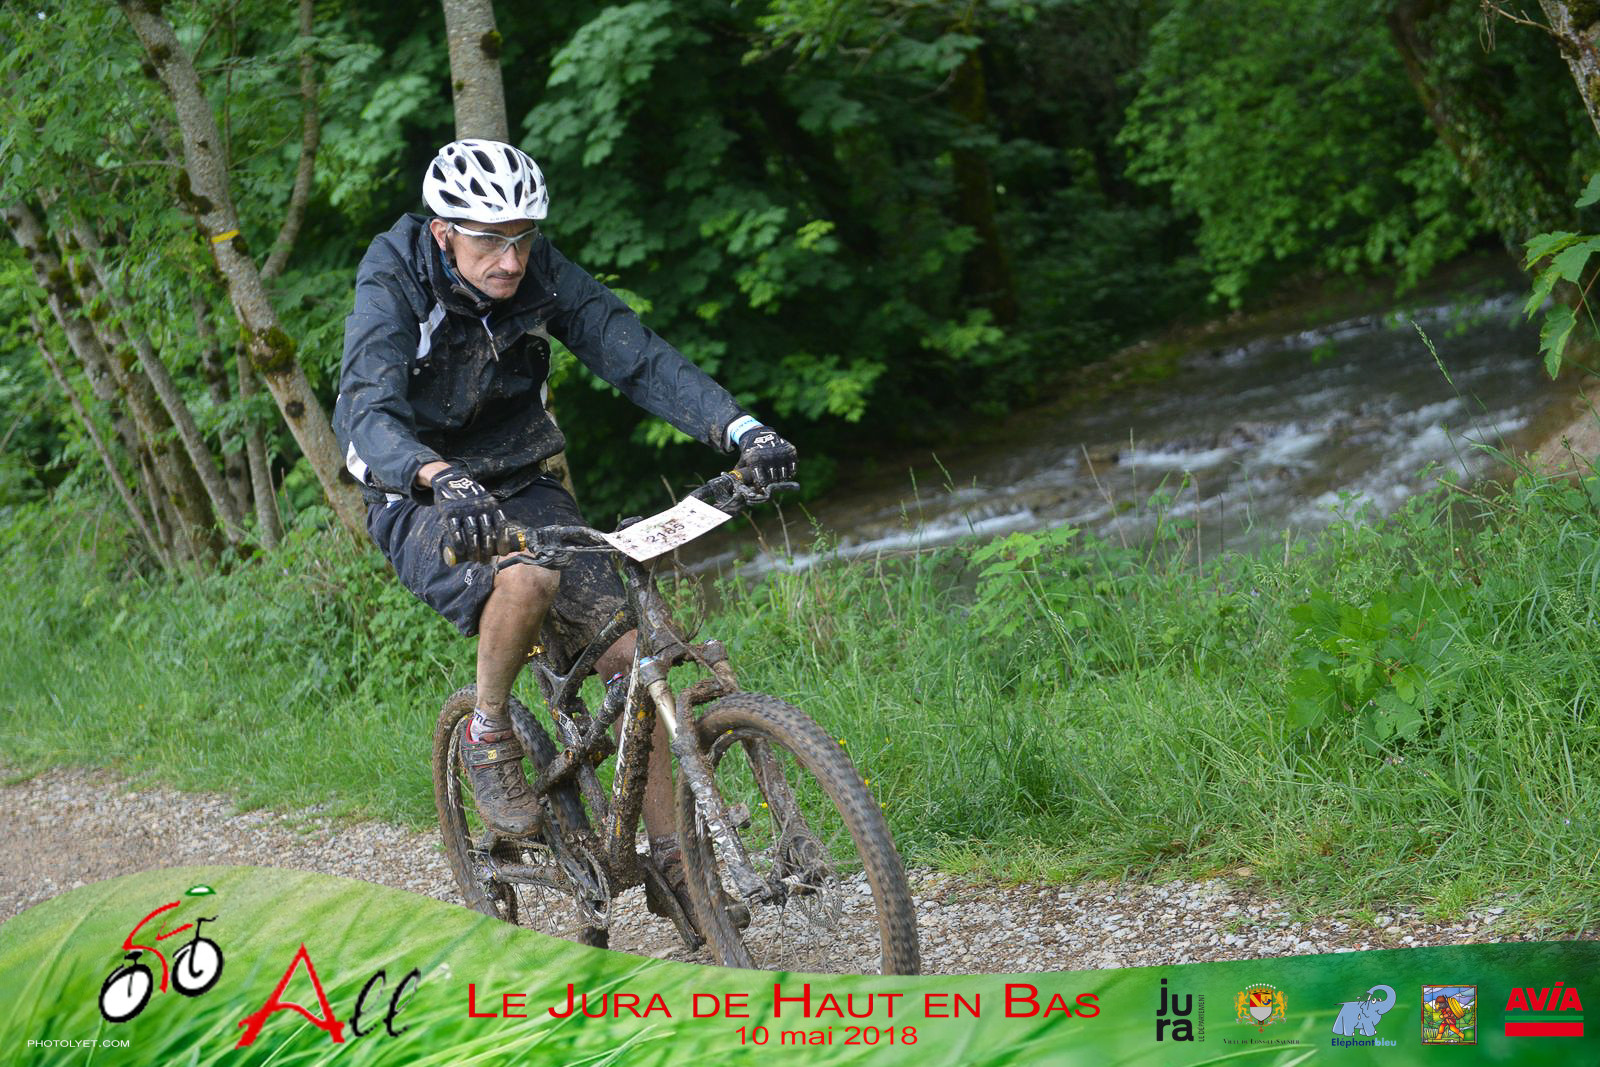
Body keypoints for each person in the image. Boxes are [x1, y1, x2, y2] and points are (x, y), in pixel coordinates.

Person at [333, 138, 797, 928]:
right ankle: (488, 728)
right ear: (443, 232)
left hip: (520, 477)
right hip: (417, 488)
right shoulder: (395, 276)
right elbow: (366, 413)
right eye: (490, 241)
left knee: (636, 657)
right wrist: (437, 475)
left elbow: (636, 355)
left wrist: (743, 430)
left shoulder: (534, 270)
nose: (511, 260)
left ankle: (676, 863)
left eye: (523, 237)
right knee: (527, 577)